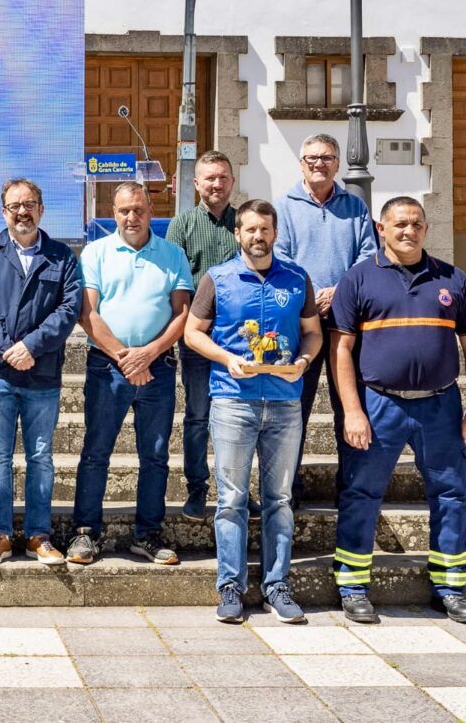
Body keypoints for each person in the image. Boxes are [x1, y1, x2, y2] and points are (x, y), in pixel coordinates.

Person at [184, 199, 323, 624]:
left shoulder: (297, 279)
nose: (257, 237)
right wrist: (226, 358)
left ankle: (277, 585)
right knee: (231, 499)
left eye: (264, 230)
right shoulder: (218, 279)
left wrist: (302, 362)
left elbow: (313, 334)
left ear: (275, 234)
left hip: (284, 402)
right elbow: (192, 333)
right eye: (250, 230)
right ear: (237, 234)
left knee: (280, 499)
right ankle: (230, 585)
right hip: (232, 401)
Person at [329, 196, 466, 625]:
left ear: (426, 228)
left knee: (452, 494)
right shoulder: (358, 279)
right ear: (381, 229)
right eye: (400, 224)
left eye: (416, 224)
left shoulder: (453, 279)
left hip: (440, 405)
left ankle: (451, 585)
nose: (409, 231)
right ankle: (352, 585)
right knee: (362, 493)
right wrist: (352, 410)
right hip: (379, 404)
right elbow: (341, 348)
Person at [69, 181, 193, 567]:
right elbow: (88, 314)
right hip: (108, 365)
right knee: (95, 452)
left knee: (155, 455)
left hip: (158, 366)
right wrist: (127, 358)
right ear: (114, 212)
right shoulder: (96, 252)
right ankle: (86, 533)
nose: (131, 217)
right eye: (124, 210)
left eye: (138, 209)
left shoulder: (172, 255)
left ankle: (148, 535)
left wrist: (150, 354)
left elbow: (182, 314)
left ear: (150, 211)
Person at [0, 178, 82, 565]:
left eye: (29, 204)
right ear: (4, 212)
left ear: (42, 209)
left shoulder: (62, 256)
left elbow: (69, 310)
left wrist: (31, 347)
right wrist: (7, 350)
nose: (22, 211)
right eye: (14, 205)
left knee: (41, 456)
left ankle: (38, 535)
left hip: (42, 373)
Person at [275, 134, 376, 507]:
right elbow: (280, 256)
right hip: (299, 323)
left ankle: (350, 488)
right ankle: (289, 488)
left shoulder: (356, 207)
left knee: (348, 406)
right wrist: (310, 293)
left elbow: (368, 257)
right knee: (293, 410)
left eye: (327, 157)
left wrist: (337, 291)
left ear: (337, 164)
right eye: (312, 158)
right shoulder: (283, 206)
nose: (320, 163)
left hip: (347, 321)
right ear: (301, 163)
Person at [166, 150, 245, 522]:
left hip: (241, 340)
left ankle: (239, 491)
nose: (216, 184)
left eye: (222, 177)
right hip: (197, 339)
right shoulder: (180, 226)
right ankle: (197, 489)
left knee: (244, 418)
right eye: (209, 178)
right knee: (198, 416)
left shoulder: (246, 223)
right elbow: (177, 286)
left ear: (232, 181)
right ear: (196, 183)